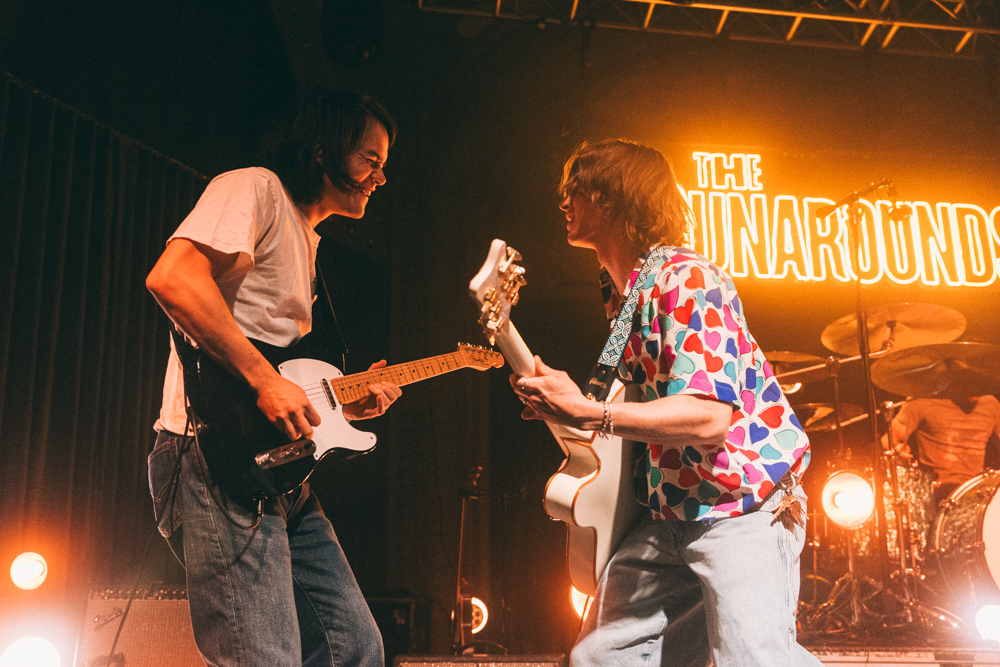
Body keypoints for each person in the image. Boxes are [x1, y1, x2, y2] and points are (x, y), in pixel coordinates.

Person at [510, 139, 820, 666]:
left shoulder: (686, 278)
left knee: (753, 660)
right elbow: (623, 403)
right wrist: (569, 399)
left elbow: (707, 416)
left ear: (612, 196)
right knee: (598, 660)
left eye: (576, 187)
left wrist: (590, 413)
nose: (563, 200)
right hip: (670, 512)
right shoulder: (625, 294)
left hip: (743, 506)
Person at [145, 90, 401, 667]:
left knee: (353, 647)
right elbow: (174, 279)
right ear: (322, 149)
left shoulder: (308, 242)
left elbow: (280, 365)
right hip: (210, 456)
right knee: (265, 658)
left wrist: (341, 406)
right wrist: (266, 381)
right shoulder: (255, 187)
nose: (380, 177)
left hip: (276, 467)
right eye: (371, 158)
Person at [885, 395, 1000, 503]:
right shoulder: (923, 401)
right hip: (938, 492)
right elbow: (887, 441)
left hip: (977, 489)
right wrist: (898, 450)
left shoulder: (990, 403)